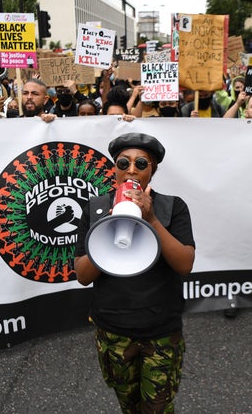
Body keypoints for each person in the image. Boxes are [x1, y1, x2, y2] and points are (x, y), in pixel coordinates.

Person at [74, 132, 195, 413]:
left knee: (158, 408)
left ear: (152, 170)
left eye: (141, 163)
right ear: (113, 168)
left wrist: (150, 218)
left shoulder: (172, 207)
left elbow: (185, 265)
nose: (131, 169)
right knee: (128, 405)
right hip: (113, 331)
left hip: (161, 331)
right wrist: (107, 225)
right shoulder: (95, 209)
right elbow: (83, 275)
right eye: (123, 162)